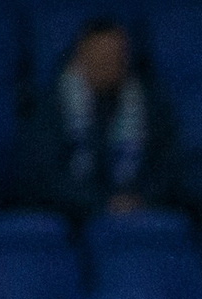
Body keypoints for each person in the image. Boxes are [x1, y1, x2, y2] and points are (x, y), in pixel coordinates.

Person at [14, 17, 184, 225]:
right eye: (100, 57)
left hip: (138, 210)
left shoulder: (150, 103)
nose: (108, 64)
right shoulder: (51, 105)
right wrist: (102, 203)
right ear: (81, 56)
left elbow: (167, 164)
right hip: (73, 215)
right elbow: (44, 175)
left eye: (115, 57)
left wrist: (140, 199)